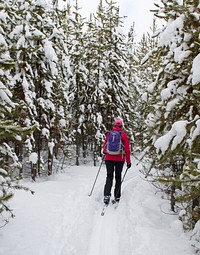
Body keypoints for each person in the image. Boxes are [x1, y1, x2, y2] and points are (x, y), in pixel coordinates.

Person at [102, 118, 131, 205]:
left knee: (109, 176)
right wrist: (128, 161)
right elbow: (127, 150)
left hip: (108, 158)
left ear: (114, 125)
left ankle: (106, 195)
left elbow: (104, 146)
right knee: (118, 177)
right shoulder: (124, 135)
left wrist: (104, 152)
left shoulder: (109, 134)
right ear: (121, 126)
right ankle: (117, 196)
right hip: (120, 159)